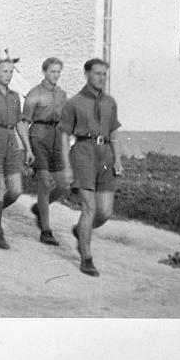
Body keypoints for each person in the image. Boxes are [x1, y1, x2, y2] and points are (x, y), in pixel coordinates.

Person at [58, 58, 123, 277]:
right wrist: (66, 166)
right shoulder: (74, 102)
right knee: (89, 208)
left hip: (104, 155)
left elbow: (113, 132)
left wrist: (118, 159)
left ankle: (80, 231)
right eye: (97, 73)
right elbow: (65, 135)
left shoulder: (110, 102)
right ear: (86, 74)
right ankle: (86, 257)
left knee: (104, 212)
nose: (101, 78)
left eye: (104, 74)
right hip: (83, 153)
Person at [0, 58, 35, 250]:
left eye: (11, 72)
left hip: (11, 140)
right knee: (0, 187)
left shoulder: (14, 96)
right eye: (4, 71)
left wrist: (28, 147)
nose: (8, 75)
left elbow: (18, 122)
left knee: (16, 190)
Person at [23, 57, 69, 246]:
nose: (55, 75)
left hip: (57, 138)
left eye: (58, 71)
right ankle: (46, 230)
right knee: (45, 183)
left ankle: (39, 209)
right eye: (52, 71)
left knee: (62, 185)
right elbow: (25, 122)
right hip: (38, 137)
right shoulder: (34, 94)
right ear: (44, 72)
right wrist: (26, 148)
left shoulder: (62, 94)